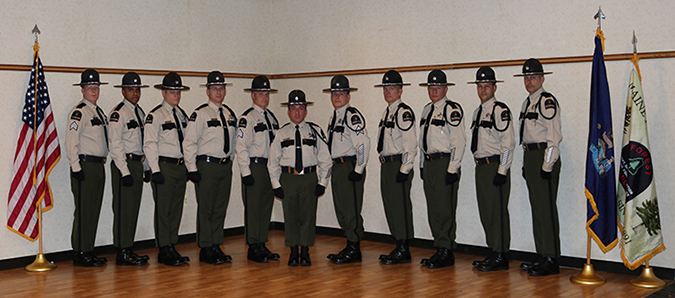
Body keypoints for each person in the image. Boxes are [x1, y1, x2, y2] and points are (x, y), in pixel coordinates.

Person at [268, 90, 332, 266]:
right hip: (288, 179)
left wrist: (322, 182)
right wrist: (275, 184)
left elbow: (326, 160)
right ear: (288, 111)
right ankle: (293, 251)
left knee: (308, 216)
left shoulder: (315, 131)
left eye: (301, 108)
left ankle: (305, 251)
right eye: (293, 108)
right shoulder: (281, 133)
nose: (297, 112)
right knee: (290, 216)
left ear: (306, 111)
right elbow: (272, 162)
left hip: (309, 178)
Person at [183, 71, 237, 265]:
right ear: (207, 91)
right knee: (206, 208)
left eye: (221, 88)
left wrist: (229, 161)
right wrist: (192, 168)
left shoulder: (229, 113)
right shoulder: (200, 114)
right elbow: (189, 142)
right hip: (206, 166)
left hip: (224, 166)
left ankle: (216, 245)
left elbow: (232, 141)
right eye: (215, 88)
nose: (219, 92)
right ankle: (206, 248)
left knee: (220, 208)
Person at [514, 58, 562, 276]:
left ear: (542, 79)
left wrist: (547, 164)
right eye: (526, 77)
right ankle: (542, 254)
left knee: (546, 209)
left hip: (544, 156)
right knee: (537, 208)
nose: (529, 81)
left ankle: (551, 258)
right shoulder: (527, 103)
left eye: (533, 77)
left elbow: (554, 137)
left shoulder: (547, 101)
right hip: (530, 156)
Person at [468, 66, 515, 272]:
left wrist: (502, 170)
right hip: (481, 167)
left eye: (487, 86)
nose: (483, 89)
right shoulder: (478, 112)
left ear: (494, 87)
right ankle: (493, 250)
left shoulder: (500, 110)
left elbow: (508, 143)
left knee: (497, 212)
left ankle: (501, 254)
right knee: (486, 212)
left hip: (495, 166)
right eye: (480, 86)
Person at [418, 69, 465, 269]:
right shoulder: (427, 110)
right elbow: (423, 141)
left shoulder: (452, 109)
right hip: (429, 163)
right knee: (434, 209)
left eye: (438, 87)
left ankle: (447, 250)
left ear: (446, 89)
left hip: (444, 163)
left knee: (445, 209)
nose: (434, 90)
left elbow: (459, 142)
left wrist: (452, 168)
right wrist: (421, 164)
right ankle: (439, 246)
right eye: (431, 87)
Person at [144, 72, 191, 266]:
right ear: (163, 92)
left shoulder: (182, 115)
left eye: (178, 91)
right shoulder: (155, 115)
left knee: (176, 209)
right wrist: (154, 170)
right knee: (164, 210)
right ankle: (164, 248)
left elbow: (188, 143)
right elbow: (149, 144)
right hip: (164, 167)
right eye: (172, 91)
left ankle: (172, 244)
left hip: (180, 167)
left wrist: (190, 165)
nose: (176, 95)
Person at [323, 75, 370, 264]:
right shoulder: (334, 116)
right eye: (334, 93)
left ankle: (354, 247)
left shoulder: (352, 116)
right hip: (338, 166)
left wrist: (358, 169)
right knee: (342, 208)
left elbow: (363, 144)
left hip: (349, 166)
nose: (337, 97)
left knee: (351, 209)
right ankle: (350, 244)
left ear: (348, 96)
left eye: (341, 93)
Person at [66, 69, 109, 267]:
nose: (94, 91)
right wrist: (76, 167)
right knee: (84, 211)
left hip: (97, 166)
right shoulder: (79, 112)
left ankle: (88, 250)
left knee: (93, 210)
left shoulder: (98, 112)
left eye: (96, 87)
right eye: (90, 87)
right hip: (84, 166)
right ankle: (80, 252)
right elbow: (71, 141)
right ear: (82, 90)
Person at [374, 70, 417, 265]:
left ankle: (404, 248)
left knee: (400, 207)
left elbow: (410, 144)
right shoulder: (387, 112)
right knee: (391, 206)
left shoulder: (403, 112)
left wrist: (405, 169)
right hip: (387, 164)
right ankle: (398, 243)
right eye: (385, 88)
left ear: (400, 91)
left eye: (391, 88)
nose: (387, 92)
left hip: (398, 164)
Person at [236, 75, 281, 263]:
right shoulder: (248, 118)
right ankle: (253, 246)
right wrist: (245, 172)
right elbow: (241, 146)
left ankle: (262, 242)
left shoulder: (271, 118)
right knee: (253, 208)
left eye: (266, 93)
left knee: (265, 206)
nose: (264, 97)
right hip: (254, 167)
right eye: (260, 93)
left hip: (268, 167)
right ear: (253, 95)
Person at [109, 72, 151, 266]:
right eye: (131, 90)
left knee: (132, 209)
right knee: (123, 209)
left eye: (137, 90)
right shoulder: (118, 114)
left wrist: (146, 166)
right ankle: (122, 250)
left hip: (135, 163)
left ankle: (128, 247)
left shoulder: (139, 112)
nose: (135, 93)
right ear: (123, 91)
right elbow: (115, 144)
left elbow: (142, 143)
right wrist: (124, 172)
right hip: (123, 165)